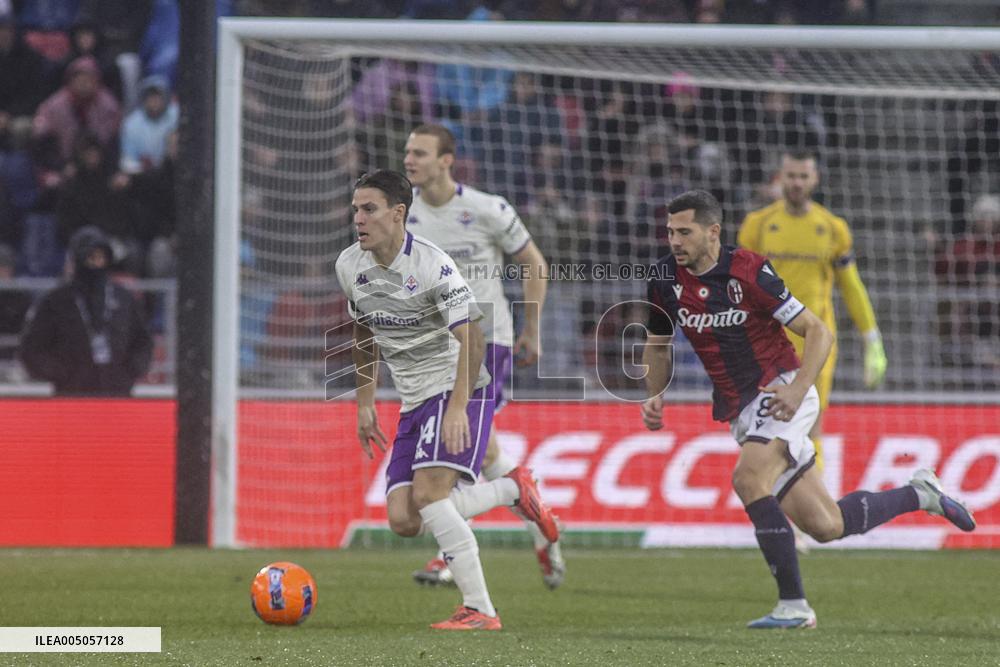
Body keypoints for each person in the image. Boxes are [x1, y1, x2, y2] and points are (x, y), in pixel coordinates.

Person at [641, 190, 976, 629]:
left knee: (747, 477)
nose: (675, 240)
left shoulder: (749, 270)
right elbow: (658, 343)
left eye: (684, 231)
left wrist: (799, 390)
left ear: (712, 231)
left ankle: (794, 606)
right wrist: (652, 392)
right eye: (670, 232)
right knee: (826, 524)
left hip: (781, 391)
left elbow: (817, 331)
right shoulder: (664, 278)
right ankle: (921, 493)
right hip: (740, 410)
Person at [334, 170, 559, 631]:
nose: (358, 218)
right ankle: (514, 488)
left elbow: (472, 339)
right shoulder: (349, 265)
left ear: (398, 214)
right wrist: (364, 403)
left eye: (369, 209)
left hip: (457, 382)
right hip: (412, 398)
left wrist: (459, 406)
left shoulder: (432, 265)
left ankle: (480, 609)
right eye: (356, 208)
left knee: (431, 495)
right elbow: (361, 334)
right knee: (404, 519)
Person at [401, 123, 565, 589]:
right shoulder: (404, 215)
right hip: (434, 349)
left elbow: (534, 263)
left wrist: (532, 327)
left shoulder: (487, 209)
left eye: (420, 153)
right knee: (484, 451)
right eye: (408, 152)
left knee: (453, 449)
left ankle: (448, 556)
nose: (410, 160)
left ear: (446, 160)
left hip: (486, 343)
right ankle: (542, 526)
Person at [737, 151, 887, 470]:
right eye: (791, 176)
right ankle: (775, 503)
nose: (797, 183)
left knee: (811, 428)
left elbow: (851, 285)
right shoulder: (757, 225)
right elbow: (742, 287)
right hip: (767, 346)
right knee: (765, 430)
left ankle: (812, 514)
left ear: (814, 179)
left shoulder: (832, 228)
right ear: (780, 177)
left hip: (815, 347)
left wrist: (871, 338)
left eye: (803, 177)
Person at [19, 226, 152, 395]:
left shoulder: (123, 298)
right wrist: (61, 373)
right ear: (78, 258)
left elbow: (143, 341)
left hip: (117, 395)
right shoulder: (56, 301)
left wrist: (130, 370)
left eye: (101, 257)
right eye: (91, 257)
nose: (96, 263)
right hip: (71, 396)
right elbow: (31, 349)